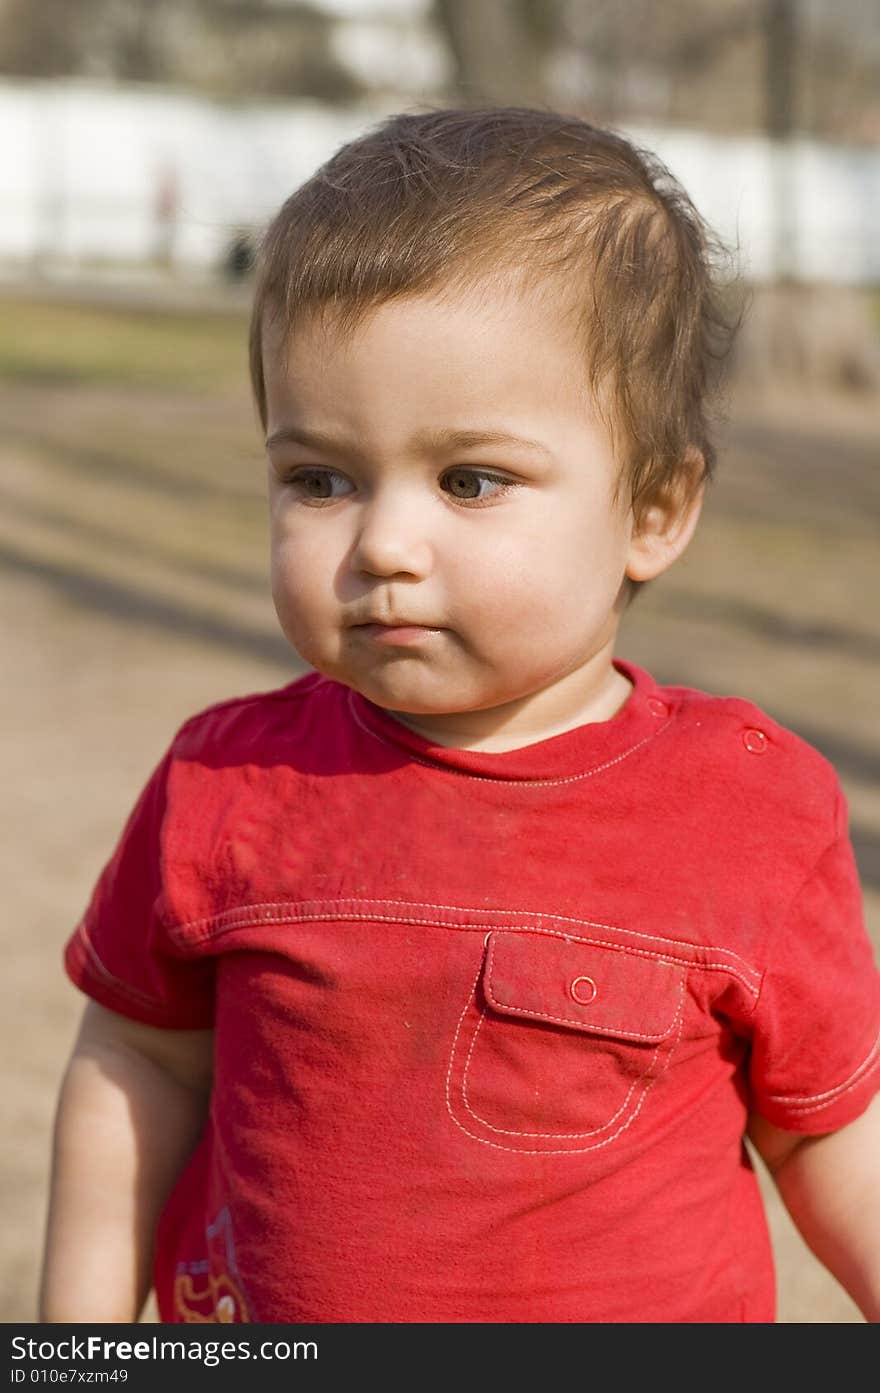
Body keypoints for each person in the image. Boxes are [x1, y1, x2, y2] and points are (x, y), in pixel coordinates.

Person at [39, 107, 880, 1325]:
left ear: (653, 508)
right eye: (318, 478)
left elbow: (827, 1137)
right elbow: (139, 1060)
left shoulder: (751, 808)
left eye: (469, 480)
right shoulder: (227, 782)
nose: (382, 542)